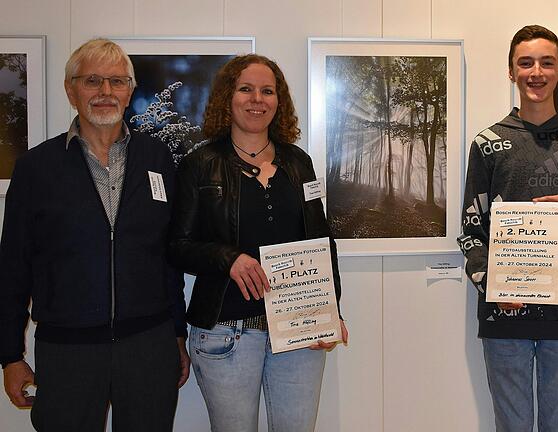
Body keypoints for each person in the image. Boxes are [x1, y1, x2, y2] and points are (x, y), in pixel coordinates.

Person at [0, 38, 189, 431]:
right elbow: (12, 268)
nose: (106, 92)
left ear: (130, 91)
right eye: (92, 80)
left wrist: (177, 335)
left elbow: (167, 257)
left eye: (117, 81)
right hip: (68, 349)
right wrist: (10, 355)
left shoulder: (157, 159)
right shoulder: (36, 168)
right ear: (71, 90)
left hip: (148, 345)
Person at [169, 54, 348, 432]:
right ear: (227, 98)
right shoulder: (199, 164)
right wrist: (228, 259)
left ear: (278, 101)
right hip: (224, 332)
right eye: (246, 89)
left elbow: (321, 240)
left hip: (299, 327)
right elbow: (177, 245)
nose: (257, 99)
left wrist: (331, 312)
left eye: (268, 91)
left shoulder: (299, 163)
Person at [458, 25, 558, 432]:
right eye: (525, 63)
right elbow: (471, 229)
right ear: (511, 72)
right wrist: (493, 286)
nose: (535, 72)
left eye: (546, 62)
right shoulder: (488, 143)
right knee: (512, 425)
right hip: (505, 313)